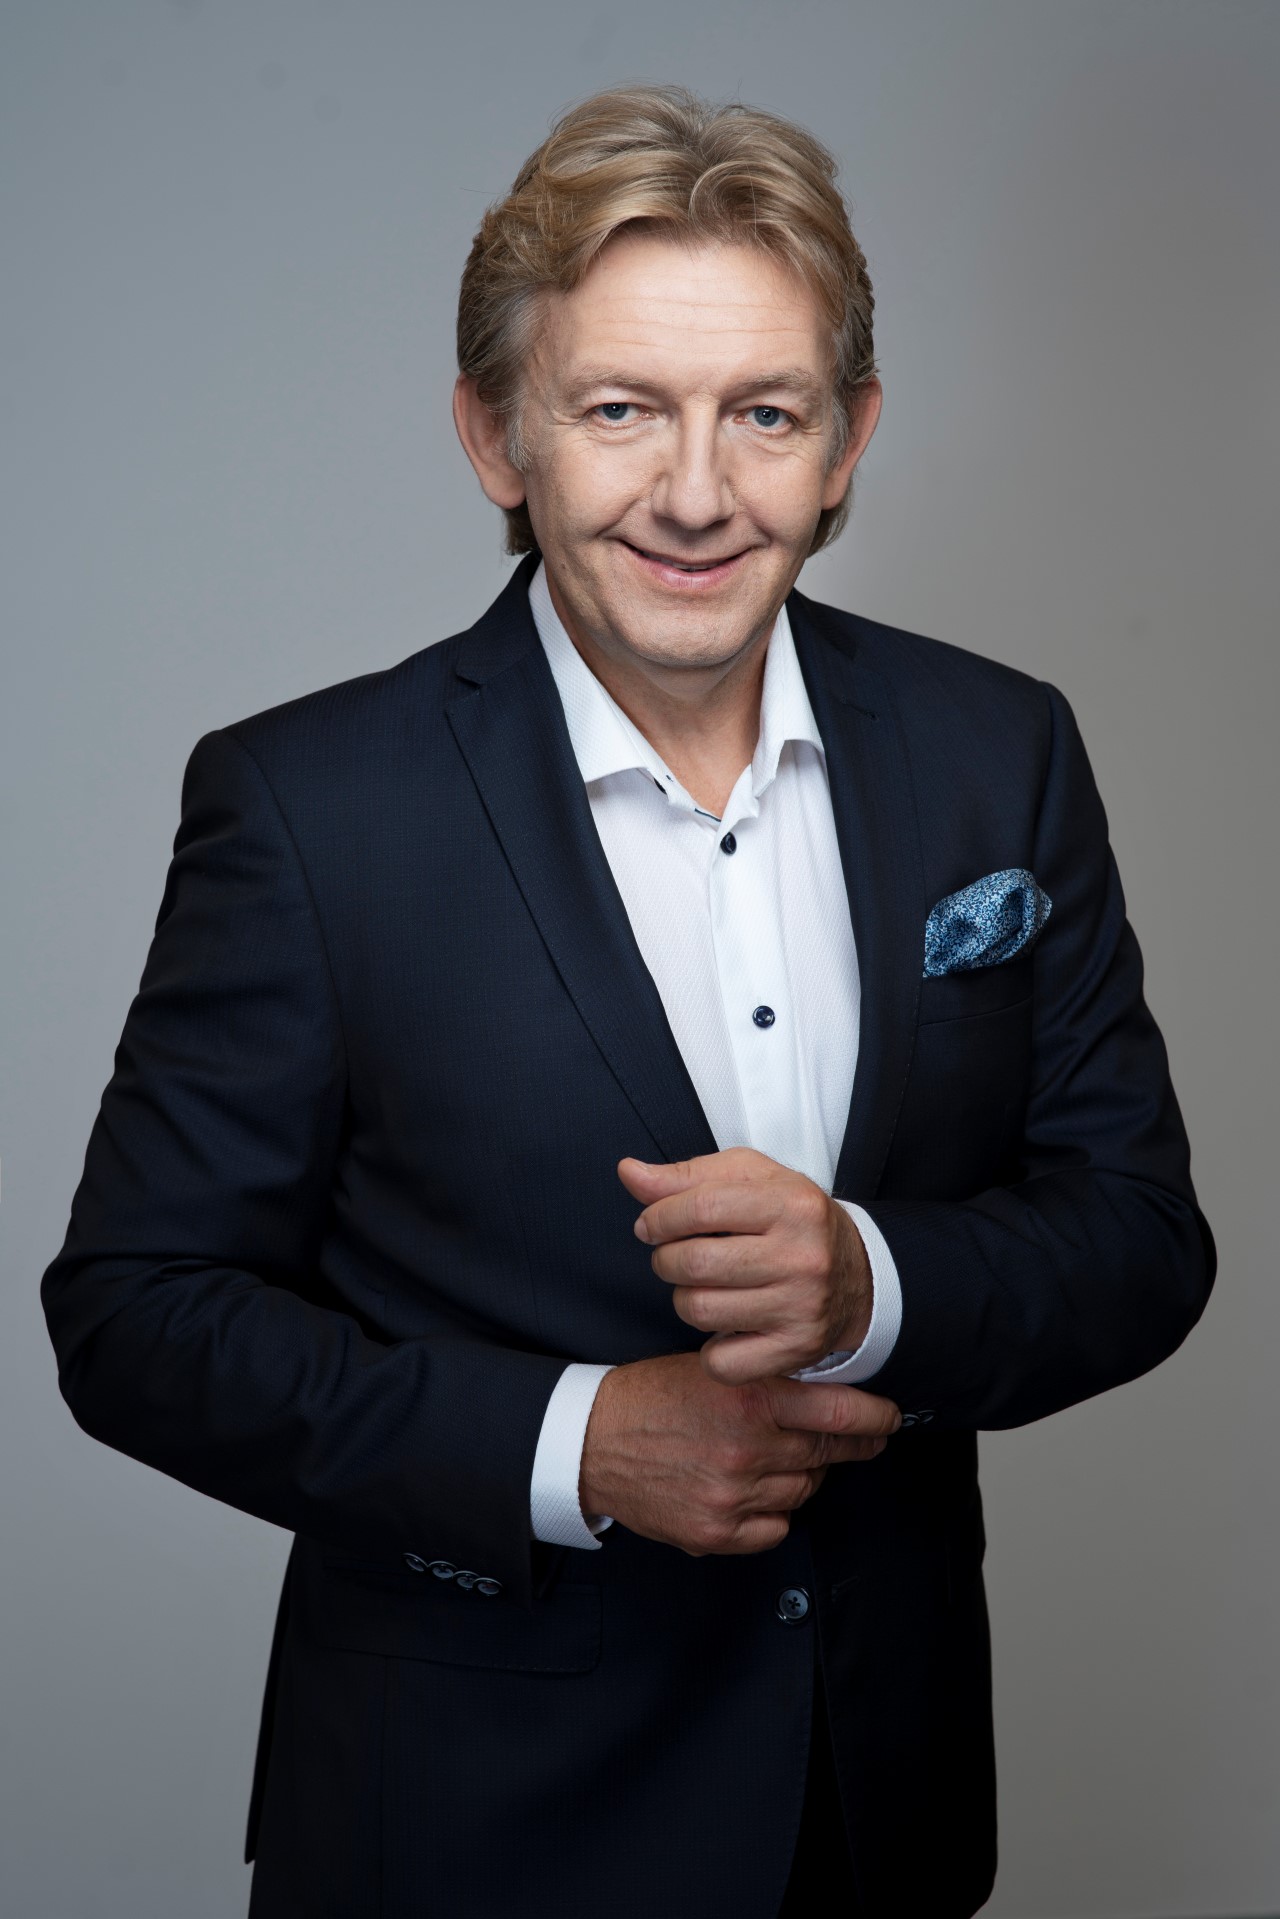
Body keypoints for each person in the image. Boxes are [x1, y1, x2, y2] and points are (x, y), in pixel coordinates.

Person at [40, 84, 1215, 1919]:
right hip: (464, 1838)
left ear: (850, 439)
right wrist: (571, 1445)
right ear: (494, 436)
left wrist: (873, 1285)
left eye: (766, 414)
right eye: (619, 411)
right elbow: (134, 1316)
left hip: (875, 1822)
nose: (696, 493)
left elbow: (1140, 1239)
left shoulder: (1004, 752)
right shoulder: (309, 807)